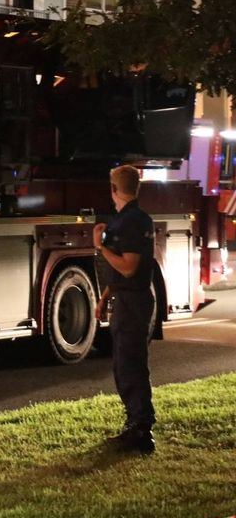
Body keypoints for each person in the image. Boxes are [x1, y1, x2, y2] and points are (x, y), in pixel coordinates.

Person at [92, 164, 157, 455]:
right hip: (125, 299)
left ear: (114, 189)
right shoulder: (129, 219)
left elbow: (129, 268)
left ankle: (141, 430)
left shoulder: (131, 221)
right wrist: (105, 295)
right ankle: (135, 425)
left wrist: (100, 247)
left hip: (133, 302)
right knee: (124, 366)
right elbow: (121, 273)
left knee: (130, 367)